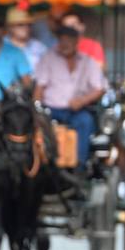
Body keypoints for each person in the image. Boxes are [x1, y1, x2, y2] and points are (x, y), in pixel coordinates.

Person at [33, 22, 106, 167]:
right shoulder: (48, 58)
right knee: (39, 126)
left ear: (76, 41)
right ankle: (43, 162)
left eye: (69, 40)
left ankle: (79, 165)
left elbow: (100, 88)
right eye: (62, 40)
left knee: (85, 122)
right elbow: (39, 88)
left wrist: (83, 100)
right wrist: (36, 108)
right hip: (51, 109)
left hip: (76, 111)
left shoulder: (87, 61)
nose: (65, 44)